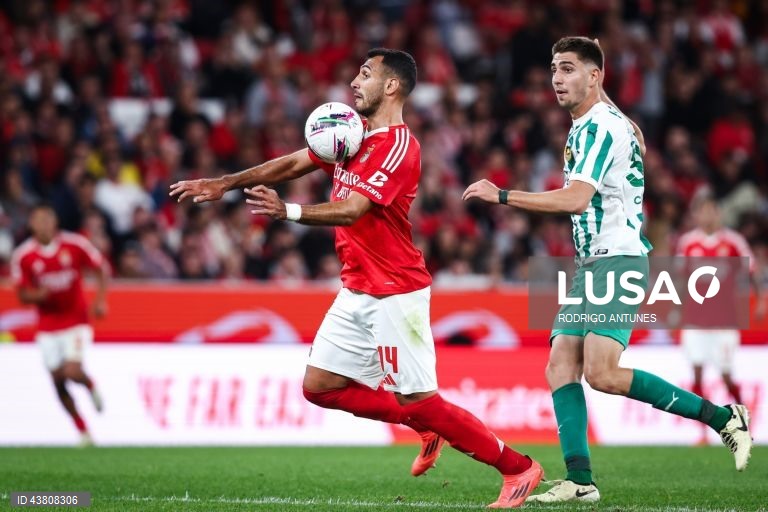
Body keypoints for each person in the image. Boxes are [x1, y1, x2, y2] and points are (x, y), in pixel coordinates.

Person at [171, 47, 543, 508]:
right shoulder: (353, 134)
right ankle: (423, 427)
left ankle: (518, 468)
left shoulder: (399, 146)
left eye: (364, 74)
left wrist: (287, 210)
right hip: (356, 287)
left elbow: (353, 209)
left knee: (422, 399)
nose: (353, 82)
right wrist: (224, 183)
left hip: (394, 290)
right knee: (320, 387)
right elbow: (294, 162)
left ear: (391, 86)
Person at [462, 37, 753, 503]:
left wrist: (502, 194)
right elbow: (624, 126)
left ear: (594, 76)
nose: (558, 78)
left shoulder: (600, 128)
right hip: (591, 263)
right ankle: (580, 481)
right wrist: (601, 77)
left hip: (617, 260)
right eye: (555, 68)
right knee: (560, 364)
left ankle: (724, 419)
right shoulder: (604, 122)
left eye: (570, 69)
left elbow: (576, 198)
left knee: (602, 373)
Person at [10, 203, 108, 446]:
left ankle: (90, 384)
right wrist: (37, 296)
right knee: (57, 380)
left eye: (47, 219)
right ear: (31, 224)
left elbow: (100, 269)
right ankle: (82, 430)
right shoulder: (24, 256)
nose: (43, 224)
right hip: (47, 326)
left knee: (72, 371)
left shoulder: (74, 244)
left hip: (76, 319)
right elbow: (22, 295)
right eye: (38, 220)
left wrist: (100, 300)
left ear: (54, 222)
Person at [676, 192, 764, 409]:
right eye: (703, 210)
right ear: (696, 215)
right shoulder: (688, 243)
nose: (707, 215)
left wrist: (761, 300)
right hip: (695, 321)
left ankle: (742, 415)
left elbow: (752, 271)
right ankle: (703, 429)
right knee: (696, 374)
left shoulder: (733, 242)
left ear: (719, 213)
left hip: (725, 321)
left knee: (726, 375)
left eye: (712, 210)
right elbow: (677, 278)